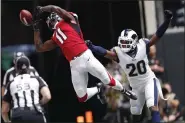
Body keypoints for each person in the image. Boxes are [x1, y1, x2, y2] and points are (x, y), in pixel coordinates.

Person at [32, 5, 137, 103]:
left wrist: (42, 9)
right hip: (74, 65)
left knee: (107, 79)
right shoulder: (55, 37)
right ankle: (98, 88)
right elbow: (39, 47)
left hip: (85, 56)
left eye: (51, 20)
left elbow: (57, 9)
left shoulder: (70, 20)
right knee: (82, 97)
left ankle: (124, 90)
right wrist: (36, 28)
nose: (50, 23)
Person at [86, 10, 173, 123]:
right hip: (135, 86)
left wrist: (167, 21)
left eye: (126, 42)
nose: (123, 45)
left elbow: (158, 35)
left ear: (134, 41)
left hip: (148, 81)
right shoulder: (120, 54)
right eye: (122, 42)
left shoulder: (143, 46)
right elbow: (105, 52)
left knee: (153, 107)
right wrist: (92, 47)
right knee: (135, 113)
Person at [2, 56, 51, 123]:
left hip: (17, 114)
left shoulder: (11, 83)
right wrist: (39, 103)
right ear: (29, 67)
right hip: (35, 112)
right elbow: (47, 96)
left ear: (16, 68)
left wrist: (7, 121)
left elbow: (4, 110)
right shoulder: (37, 79)